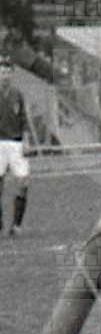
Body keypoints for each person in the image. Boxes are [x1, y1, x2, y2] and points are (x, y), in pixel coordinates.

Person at [0, 57, 30, 238]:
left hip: (16, 143)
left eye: (7, 72)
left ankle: (17, 225)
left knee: (23, 183)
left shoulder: (17, 94)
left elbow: (23, 119)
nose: (5, 75)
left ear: (12, 74)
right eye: (2, 72)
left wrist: (26, 140)